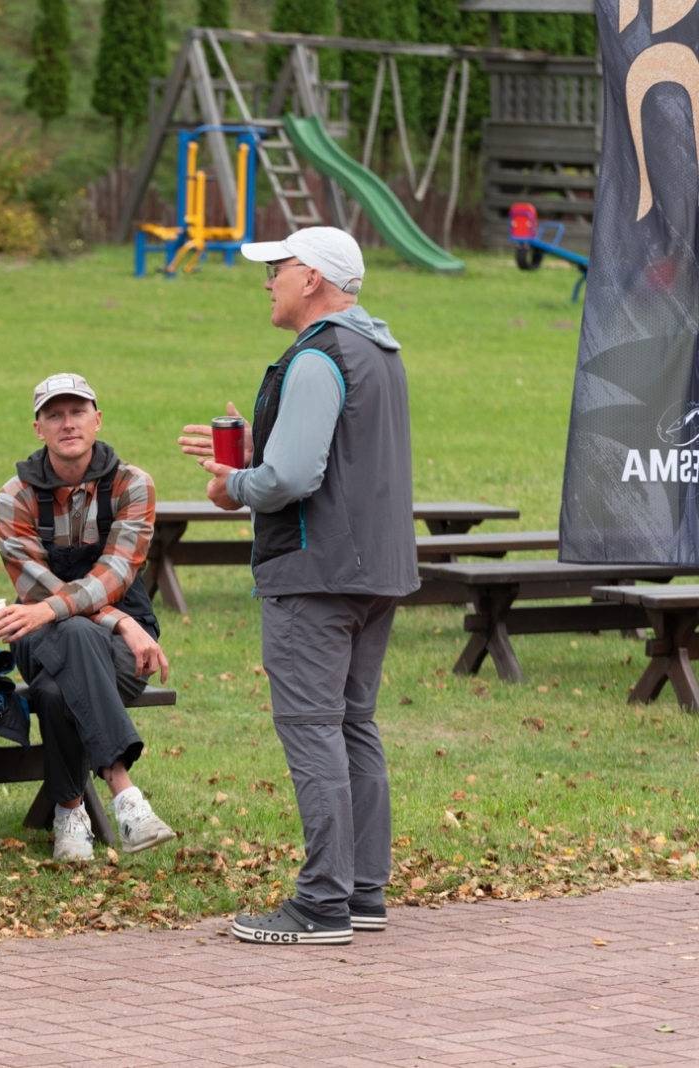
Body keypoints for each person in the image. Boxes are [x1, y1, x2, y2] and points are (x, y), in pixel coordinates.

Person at [179, 227, 416, 946]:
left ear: (312, 278)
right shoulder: (379, 349)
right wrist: (260, 455)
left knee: (314, 732)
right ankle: (362, 892)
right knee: (353, 726)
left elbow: (289, 481)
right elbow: (335, 457)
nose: (268, 280)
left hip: (315, 575)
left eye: (278, 268)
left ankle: (320, 904)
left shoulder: (317, 357)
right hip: (373, 568)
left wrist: (236, 484)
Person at [0, 373, 177, 862]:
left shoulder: (133, 484)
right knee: (69, 630)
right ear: (38, 429)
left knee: (55, 690)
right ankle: (123, 791)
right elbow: (37, 589)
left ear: (97, 419)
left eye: (77, 412)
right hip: (42, 634)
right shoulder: (16, 496)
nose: (67, 423)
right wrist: (122, 623)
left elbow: (116, 573)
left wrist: (111, 620)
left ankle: (69, 811)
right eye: (54, 414)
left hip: (110, 648)